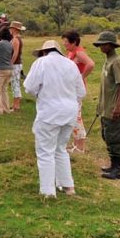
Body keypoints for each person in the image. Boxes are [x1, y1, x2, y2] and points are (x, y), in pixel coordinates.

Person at [23, 40, 86, 198]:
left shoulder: (41, 62)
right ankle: (68, 187)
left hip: (50, 112)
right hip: (69, 112)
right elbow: (81, 92)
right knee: (60, 149)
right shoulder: (71, 64)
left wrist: (42, 94)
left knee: (45, 152)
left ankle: (48, 191)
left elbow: (29, 87)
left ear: (44, 51)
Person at [93, 31, 120, 180]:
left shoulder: (117, 61)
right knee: (108, 136)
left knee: (116, 138)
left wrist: (118, 106)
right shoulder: (108, 61)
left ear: (111, 45)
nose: (101, 47)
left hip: (114, 108)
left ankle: (118, 170)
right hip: (105, 107)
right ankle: (113, 165)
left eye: (104, 44)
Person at [62, 29, 95, 153]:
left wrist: (81, 77)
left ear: (74, 42)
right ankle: (75, 145)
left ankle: (80, 147)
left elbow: (91, 64)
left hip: (76, 89)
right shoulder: (71, 52)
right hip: (70, 88)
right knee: (72, 116)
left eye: (66, 41)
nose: (64, 44)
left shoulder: (79, 52)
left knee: (76, 116)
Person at [0, 28, 14, 115]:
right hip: (9, 69)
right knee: (4, 90)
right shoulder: (10, 44)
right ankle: (6, 109)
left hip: (1, 70)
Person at [8, 21, 26, 111]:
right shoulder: (17, 38)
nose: (10, 30)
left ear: (14, 29)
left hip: (15, 64)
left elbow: (15, 53)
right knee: (15, 83)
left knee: (15, 84)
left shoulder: (15, 39)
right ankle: (15, 104)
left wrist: (11, 63)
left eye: (11, 28)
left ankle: (16, 105)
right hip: (17, 64)